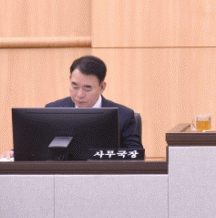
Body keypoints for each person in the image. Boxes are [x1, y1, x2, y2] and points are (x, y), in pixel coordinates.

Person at [0, 55, 141, 159]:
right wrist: (15, 152)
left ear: (102, 87)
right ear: (70, 80)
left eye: (87, 88)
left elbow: (136, 155)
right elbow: (36, 146)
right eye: (74, 86)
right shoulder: (53, 110)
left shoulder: (124, 115)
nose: (79, 95)